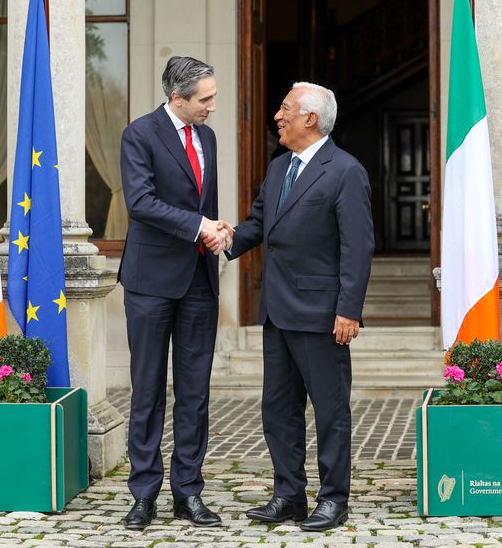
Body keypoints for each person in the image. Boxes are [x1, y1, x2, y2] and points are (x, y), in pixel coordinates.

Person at [226, 81, 374, 531]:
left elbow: (358, 245)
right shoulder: (277, 169)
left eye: (285, 109)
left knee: (330, 412)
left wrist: (348, 310)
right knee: (278, 410)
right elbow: (257, 224)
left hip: (323, 316)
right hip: (278, 312)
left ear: (311, 118)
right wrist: (221, 237)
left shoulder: (345, 171)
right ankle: (289, 495)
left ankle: (333, 500)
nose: (277, 115)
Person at [118, 56, 231, 530]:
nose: (212, 106)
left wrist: (217, 233)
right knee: (147, 391)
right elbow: (141, 203)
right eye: (205, 99)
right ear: (177, 98)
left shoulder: (207, 136)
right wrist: (199, 226)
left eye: (212, 96)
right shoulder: (139, 135)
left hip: (199, 283)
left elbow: (204, 202)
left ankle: (188, 493)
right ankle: (143, 494)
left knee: (194, 394)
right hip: (149, 283)